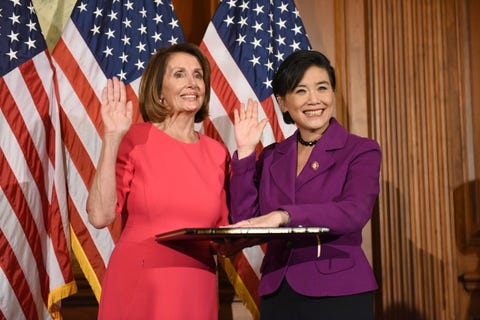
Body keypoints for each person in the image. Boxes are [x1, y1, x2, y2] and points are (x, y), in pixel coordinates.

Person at [228, 50, 381, 319]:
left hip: (339, 292)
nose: (314, 99)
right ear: (283, 103)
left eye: (322, 88)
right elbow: (246, 221)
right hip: (279, 292)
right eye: (301, 90)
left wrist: (284, 216)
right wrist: (245, 153)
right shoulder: (273, 155)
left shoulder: (361, 150)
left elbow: (354, 212)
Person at [86, 43, 230, 319]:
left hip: (196, 288)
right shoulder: (135, 138)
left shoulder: (217, 153)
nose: (192, 83)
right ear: (159, 91)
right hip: (140, 285)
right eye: (179, 74)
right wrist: (113, 137)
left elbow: (221, 234)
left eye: (198, 75)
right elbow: (100, 216)